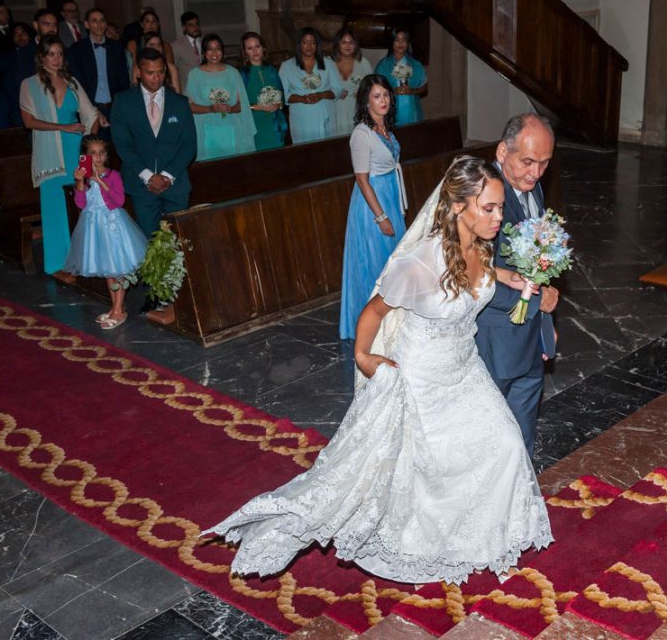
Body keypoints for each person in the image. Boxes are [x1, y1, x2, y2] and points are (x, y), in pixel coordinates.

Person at [210, 155, 553, 584]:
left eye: (501, 207)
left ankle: (476, 536)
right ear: (457, 207)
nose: (499, 218)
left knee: (503, 445)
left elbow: (483, 273)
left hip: (465, 370)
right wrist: (363, 356)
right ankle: (420, 541)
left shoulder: (480, 247)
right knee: (424, 466)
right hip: (422, 377)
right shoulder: (417, 266)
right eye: (490, 208)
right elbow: (372, 312)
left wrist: (512, 278)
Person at [475, 113, 559, 456]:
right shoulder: (482, 199)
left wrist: (545, 319)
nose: (536, 173)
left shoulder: (533, 187)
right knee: (489, 436)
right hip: (495, 338)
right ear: (501, 152)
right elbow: (475, 275)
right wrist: (537, 303)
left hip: (529, 336)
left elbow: (538, 260)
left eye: (544, 163)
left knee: (522, 437)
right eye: (527, 161)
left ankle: (518, 500)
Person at [18, 35, 100, 278]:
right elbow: (29, 121)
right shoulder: (29, 84)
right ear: (42, 57)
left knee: (80, 205)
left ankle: (83, 259)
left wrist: (90, 144)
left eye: (59, 54)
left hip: (75, 149)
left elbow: (91, 114)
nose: (56, 58)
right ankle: (58, 264)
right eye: (51, 54)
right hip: (50, 154)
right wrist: (62, 127)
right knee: (55, 207)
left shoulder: (72, 82)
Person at [339, 74, 407, 340]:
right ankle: (370, 326)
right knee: (375, 263)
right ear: (365, 101)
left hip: (389, 194)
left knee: (393, 263)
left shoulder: (385, 129)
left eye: (386, 95)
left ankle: (393, 321)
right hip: (372, 204)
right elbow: (361, 179)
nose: (383, 101)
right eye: (377, 96)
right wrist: (381, 217)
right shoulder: (362, 133)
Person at [63, 134, 148, 330]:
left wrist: (100, 181)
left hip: (113, 227)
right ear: (85, 156)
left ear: (107, 155)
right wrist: (80, 183)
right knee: (109, 271)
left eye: (102, 153)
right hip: (94, 228)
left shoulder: (113, 175)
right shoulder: (84, 178)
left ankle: (119, 309)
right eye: (93, 153)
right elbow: (81, 204)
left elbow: (118, 201)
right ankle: (115, 307)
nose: (98, 157)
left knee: (118, 269)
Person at [110, 47, 196, 237]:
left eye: (160, 71)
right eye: (150, 72)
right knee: (149, 242)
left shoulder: (179, 102)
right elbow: (123, 145)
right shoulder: (123, 101)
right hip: (142, 185)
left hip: (176, 183)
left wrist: (167, 175)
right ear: (138, 72)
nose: (156, 77)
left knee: (180, 239)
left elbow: (189, 145)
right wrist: (149, 176)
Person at [185, 33, 255, 161]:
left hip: (232, 129)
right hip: (207, 131)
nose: (214, 53)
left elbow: (241, 105)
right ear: (204, 52)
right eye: (210, 49)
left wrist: (231, 108)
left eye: (218, 48)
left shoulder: (233, 73)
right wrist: (211, 109)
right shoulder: (194, 75)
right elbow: (190, 106)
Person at [67, 8, 130, 132]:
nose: (99, 24)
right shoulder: (76, 49)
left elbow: (123, 80)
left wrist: (122, 106)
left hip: (114, 107)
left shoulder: (116, 47)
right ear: (86, 24)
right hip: (89, 108)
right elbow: (77, 83)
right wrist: (92, 109)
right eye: (94, 21)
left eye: (102, 20)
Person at [279, 27, 342, 144]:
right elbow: (282, 94)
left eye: (313, 43)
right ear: (299, 44)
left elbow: (338, 89)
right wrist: (301, 98)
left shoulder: (328, 63)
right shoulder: (287, 66)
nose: (309, 46)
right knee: (304, 152)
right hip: (301, 117)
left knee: (327, 150)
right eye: (305, 42)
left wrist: (322, 95)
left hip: (325, 113)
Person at [239, 31, 285, 151]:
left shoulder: (271, 71)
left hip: (274, 125)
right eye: (250, 48)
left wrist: (277, 104)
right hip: (254, 126)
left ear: (263, 48)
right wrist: (260, 107)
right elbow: (238, 104)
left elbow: (282, 98)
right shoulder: (242, 75)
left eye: (257, 47)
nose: (255, 51)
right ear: (245, 52)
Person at [373, 28, 426, 126]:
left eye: (404, 40)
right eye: (397, 40)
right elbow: (374, 91)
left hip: (412, 114)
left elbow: (424, 87)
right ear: (392, 42)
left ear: (408, 42)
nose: (400, 43)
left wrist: (413, 91)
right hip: (389, 113)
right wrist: (392, 91)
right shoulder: (383, 65)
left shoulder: (416, 65)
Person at [331, 26, 372, 137]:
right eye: (344, 42)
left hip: (356, 112)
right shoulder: (327, 64)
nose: (348, 46)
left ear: (356, 45)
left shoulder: (364, 63)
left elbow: (372, 89)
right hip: (334, 112)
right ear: (337, 44)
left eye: (351, 42)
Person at [170, 11, 202, 88]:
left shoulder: (206, 43)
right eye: (191, 25)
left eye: (197, 24)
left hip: (205, 87)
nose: (195, 27)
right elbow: (172, 70)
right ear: (184, 28)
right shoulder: (176, 46)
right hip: (186, 89)